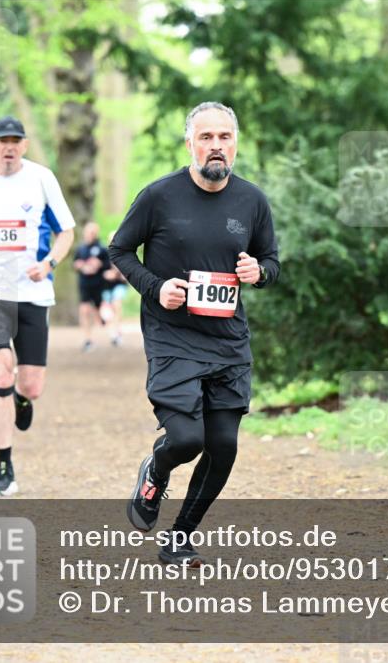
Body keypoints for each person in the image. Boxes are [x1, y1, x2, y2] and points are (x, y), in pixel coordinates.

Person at [110, 102, 279, 565]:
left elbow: (271, 261)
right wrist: (156, 287)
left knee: (223, 447)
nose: (216, 146)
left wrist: (259, 272)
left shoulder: (252, 201)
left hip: (228, 341)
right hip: (173, 336)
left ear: (235, 143)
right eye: (206, 137)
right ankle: (156, 469)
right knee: (187, 439)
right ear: (190, 144)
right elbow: (119, 249)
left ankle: (180, 537)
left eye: (224, 137)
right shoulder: (159, 196)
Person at [0, 116, 76, 496]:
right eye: (2, 140)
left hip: (33, 291)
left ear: (24, 145)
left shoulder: (41, 179)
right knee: (1, 370)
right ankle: (5, 468)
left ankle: (22, 397)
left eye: (15, 141)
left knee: (31, 385)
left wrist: (49, 263)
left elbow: (66, 232)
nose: (9, 147)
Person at [73, 221, 110, 352]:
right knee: (84, 310)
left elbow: (108, 265)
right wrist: (80, 266)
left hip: (98, 284)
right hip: (84, 284)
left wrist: (99, 264)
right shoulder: (80, 248)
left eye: (92, 232)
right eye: (88, 232)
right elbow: (75, 263)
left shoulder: (102, 248)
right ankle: (87, 339)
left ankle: (101, 320)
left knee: (97, 311)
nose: (89, 235)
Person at [101, 231, 129, 347]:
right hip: (106, 286)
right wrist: (106, 274)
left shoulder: (124, 253)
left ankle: (117, 332)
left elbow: (127, 273)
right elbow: (100, 270)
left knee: (116, 304)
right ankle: (112, 332)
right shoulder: (104, 254)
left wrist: (116, 274)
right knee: (107, 310)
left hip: (119, 285)